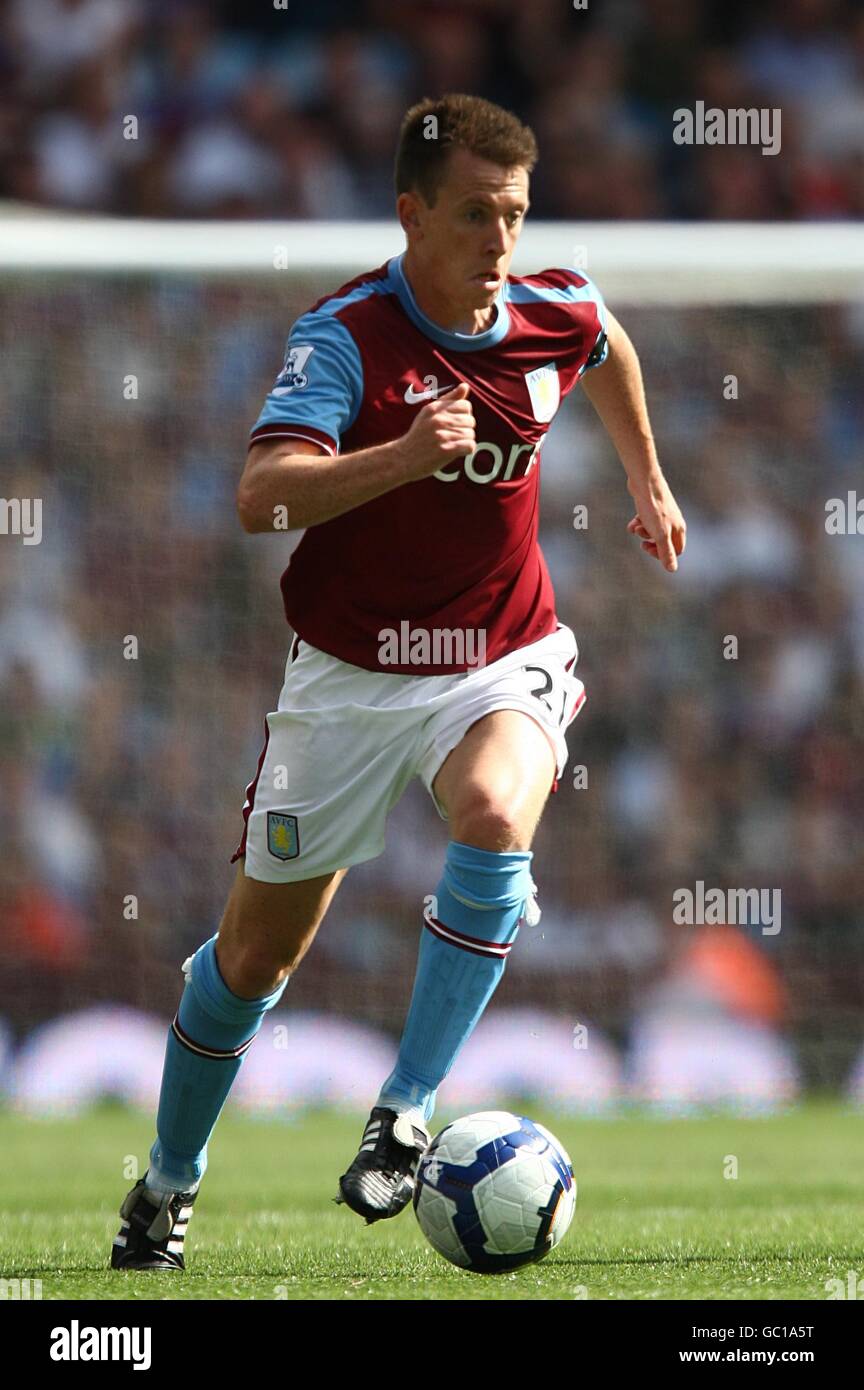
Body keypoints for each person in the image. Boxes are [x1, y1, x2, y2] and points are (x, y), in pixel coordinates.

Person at [111, 92, 685, 1271]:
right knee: (249, 966)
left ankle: (405, 1109)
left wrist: (649, 481)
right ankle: (166, 1186)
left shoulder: (548, 308)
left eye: (515, 215)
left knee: (492, 816)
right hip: (350, 680)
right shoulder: (345, 338)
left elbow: (608, 340)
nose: (499, 241)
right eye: (475, 214)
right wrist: (401, 456)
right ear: (411, 212)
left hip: (501, 650)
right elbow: (260, 495)